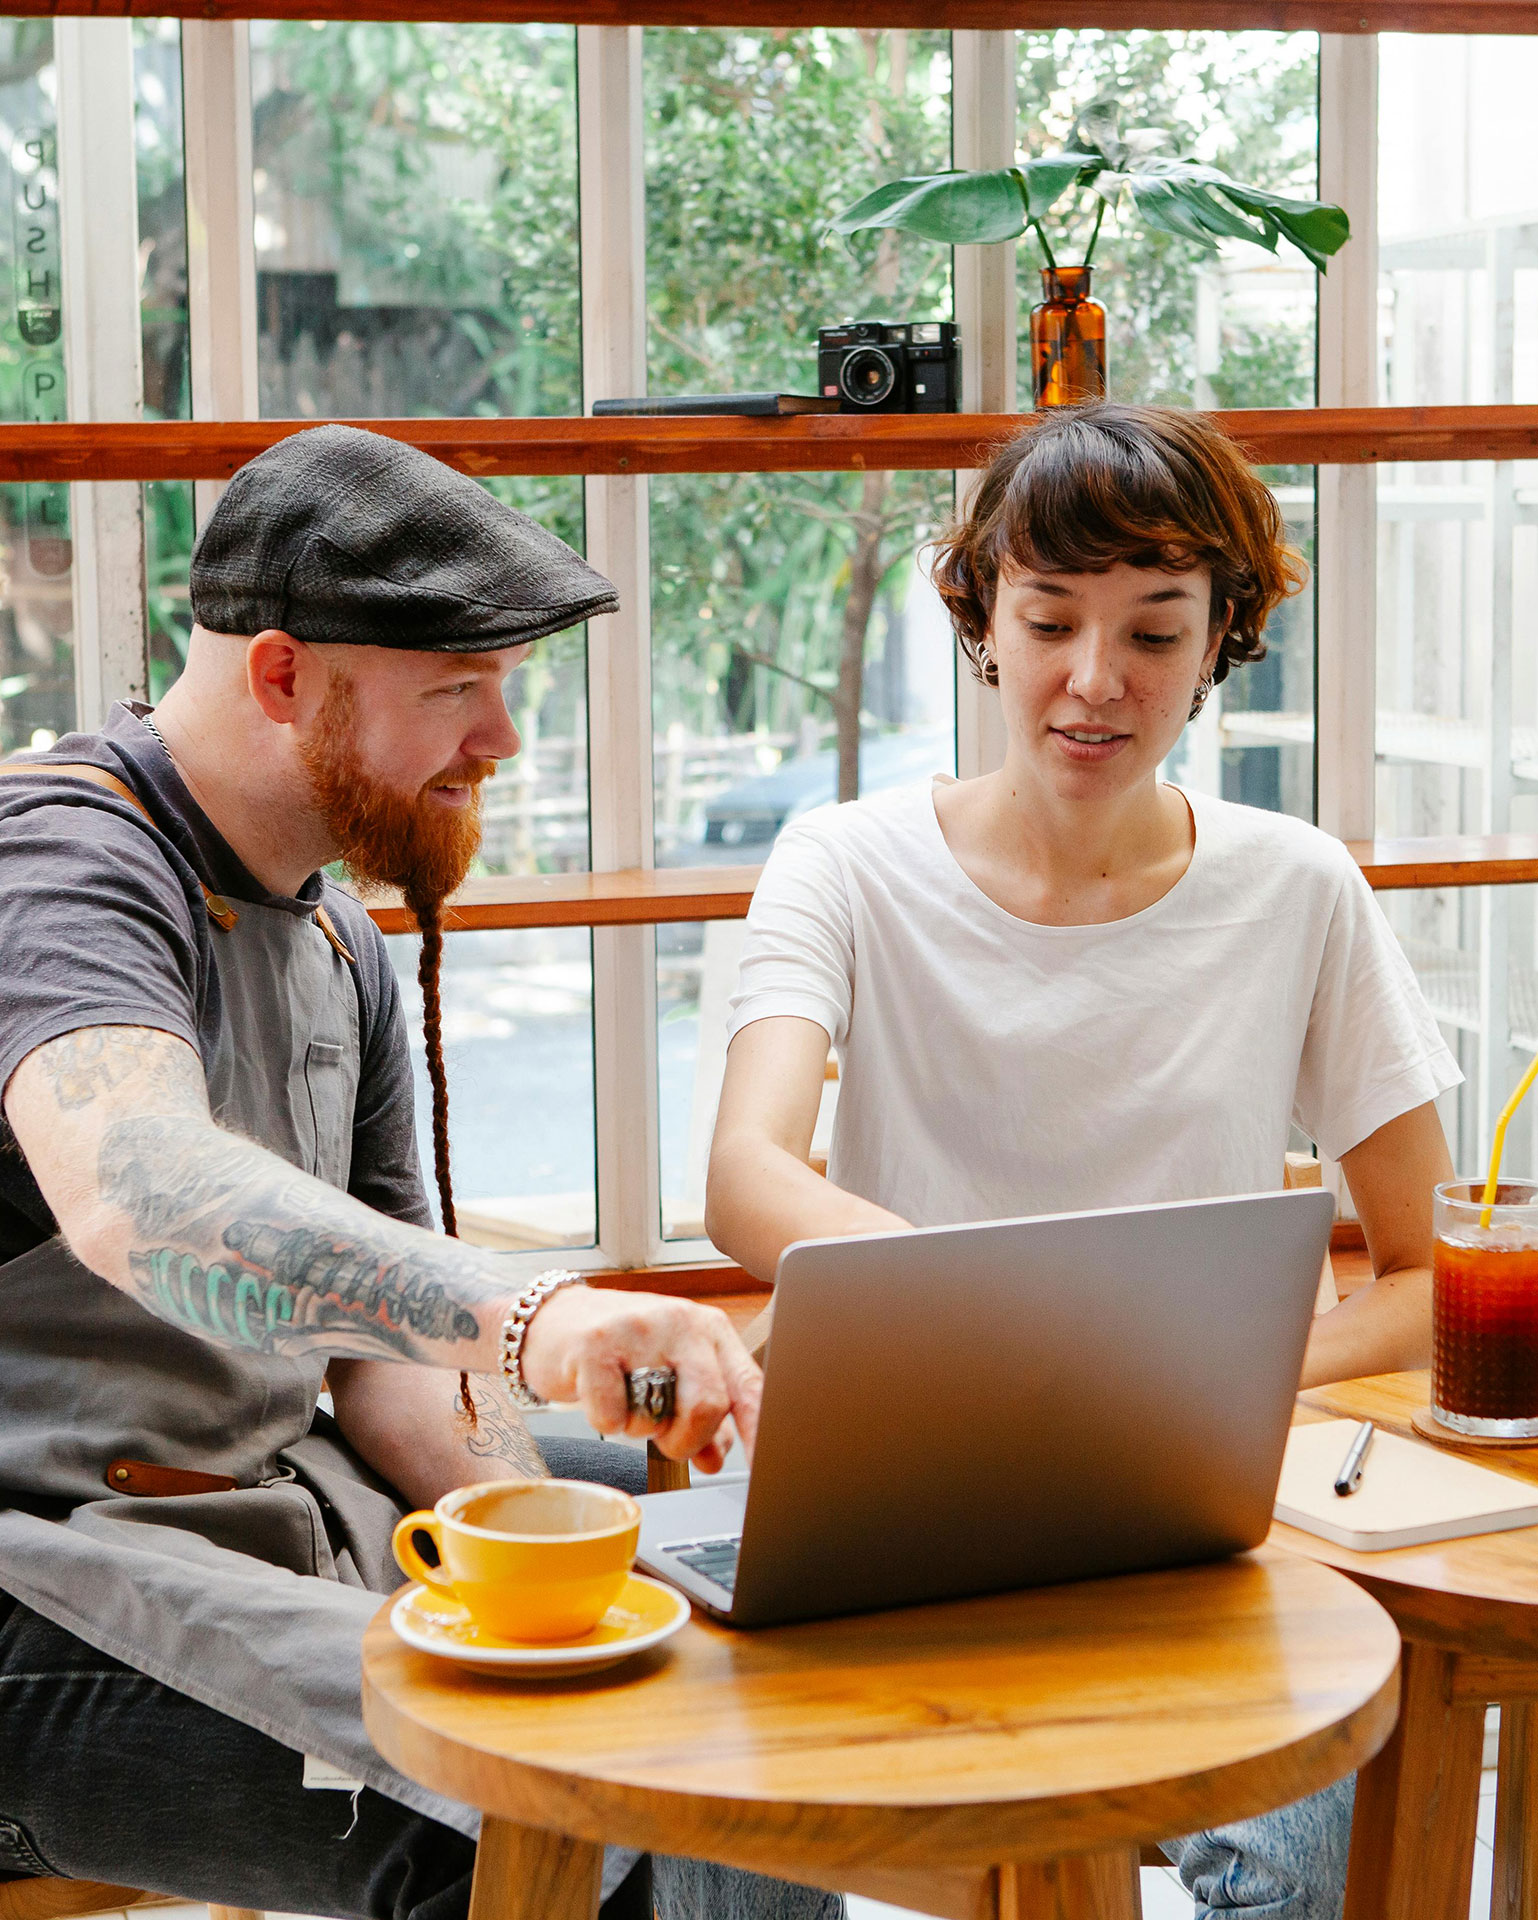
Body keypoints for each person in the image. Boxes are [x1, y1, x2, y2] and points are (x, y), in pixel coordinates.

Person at [0, 426, 836, 1920]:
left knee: (733, 1707)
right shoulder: (59, 869)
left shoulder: (340, 941)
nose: (501, 739)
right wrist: (538, 1316)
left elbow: (391, 1371)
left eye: (503, 687)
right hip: (40, 1579)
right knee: (556, 1822)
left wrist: (529, 1540)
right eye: (458, 688)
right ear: (280, 680)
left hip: (253, 1509)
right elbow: (143, 1195)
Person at [704, 401, 1461, 1920]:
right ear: (979, 617)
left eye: (1153, 634)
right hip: (899, 1492)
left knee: (1297, 1855)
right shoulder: (844, 861)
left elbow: (1433, 1273)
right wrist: (1008, 1328)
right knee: (718, 1823)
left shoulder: (1295, 886)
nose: (1093, 682)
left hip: (1192, 1528)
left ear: (1219, 641)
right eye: (1048, 620)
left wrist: (1188, 1393)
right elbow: (744, 1176)